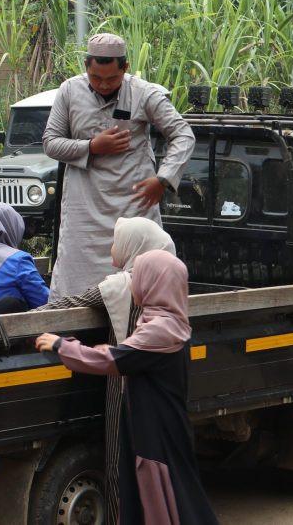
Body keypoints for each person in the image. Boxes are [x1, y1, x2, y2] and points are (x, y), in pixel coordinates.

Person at [36, 250, 219, 525]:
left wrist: (62, 345)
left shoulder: (160, 330)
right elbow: (134, 356)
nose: (133, 284)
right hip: (159, 424)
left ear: (154, 282)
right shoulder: (168, 321)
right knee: (173, 497)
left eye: (138, 277)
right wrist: (119, 351)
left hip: (156, 432)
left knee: (165, 501)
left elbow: (108, 361)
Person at [32, 216, 175, 525]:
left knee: (118, 459)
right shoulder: (171, 280)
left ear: (134, 246)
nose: (113, 247)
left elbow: (72, 303)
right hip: (163, 388)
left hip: (125, 382)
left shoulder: (124, 283)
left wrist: (25, 317)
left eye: (117, 241)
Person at [43, 32, 195, 297]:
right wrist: (91, 146)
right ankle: (75, 335)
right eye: (95, 78)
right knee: (76, 285)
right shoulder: (69, 90)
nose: (103, 85)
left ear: (125, 68)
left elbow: (183, 134)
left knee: (141, 284)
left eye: (111, 78)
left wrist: (163, 179)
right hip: (84, 211)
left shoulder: (144, 93)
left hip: (134, 204)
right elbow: (50, 142)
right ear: (86, 67)